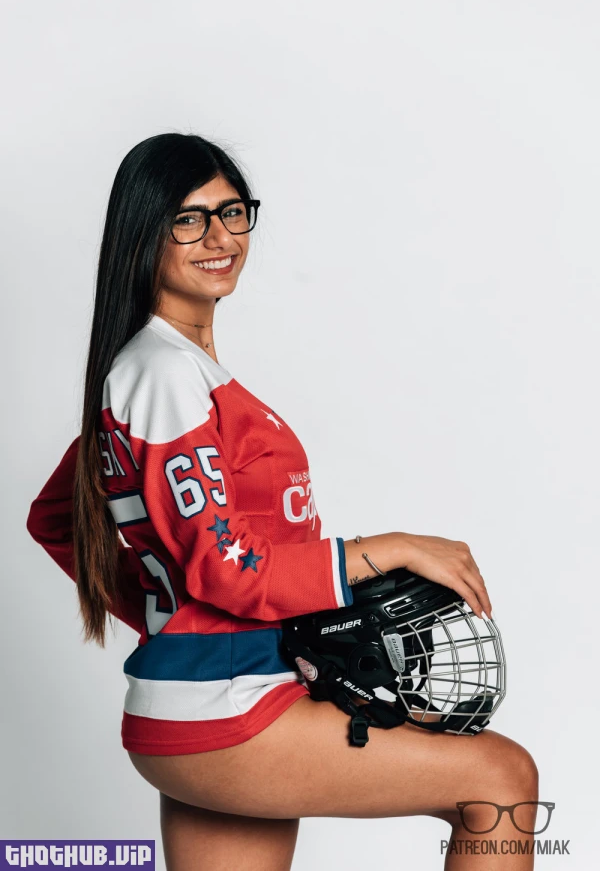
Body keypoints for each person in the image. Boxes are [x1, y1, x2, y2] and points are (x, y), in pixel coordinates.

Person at [27, 132, 538, 871]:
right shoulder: (164, 374)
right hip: (227, 706)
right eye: (189, 219)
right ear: (144, 233)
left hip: (205, 698)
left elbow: (57, 516)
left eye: (232, 212)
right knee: (500, 780)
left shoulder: (163, 371)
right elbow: (225, 568)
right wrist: (388, 549)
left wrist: (173, 619)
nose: (220, 237)